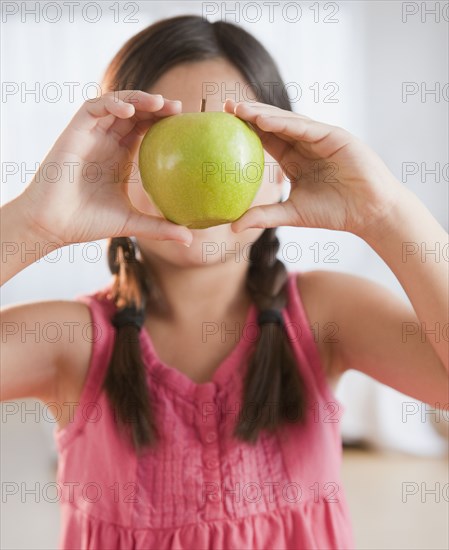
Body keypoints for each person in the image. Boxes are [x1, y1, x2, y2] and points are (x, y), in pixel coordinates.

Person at [1, 15, 447, 550]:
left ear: (280, 166)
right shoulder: (68, 341)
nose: (203, 169)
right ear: (116, 165)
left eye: (236, 136)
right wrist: (32, 225)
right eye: (161, 137)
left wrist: (386, 211)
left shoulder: (326, 314)